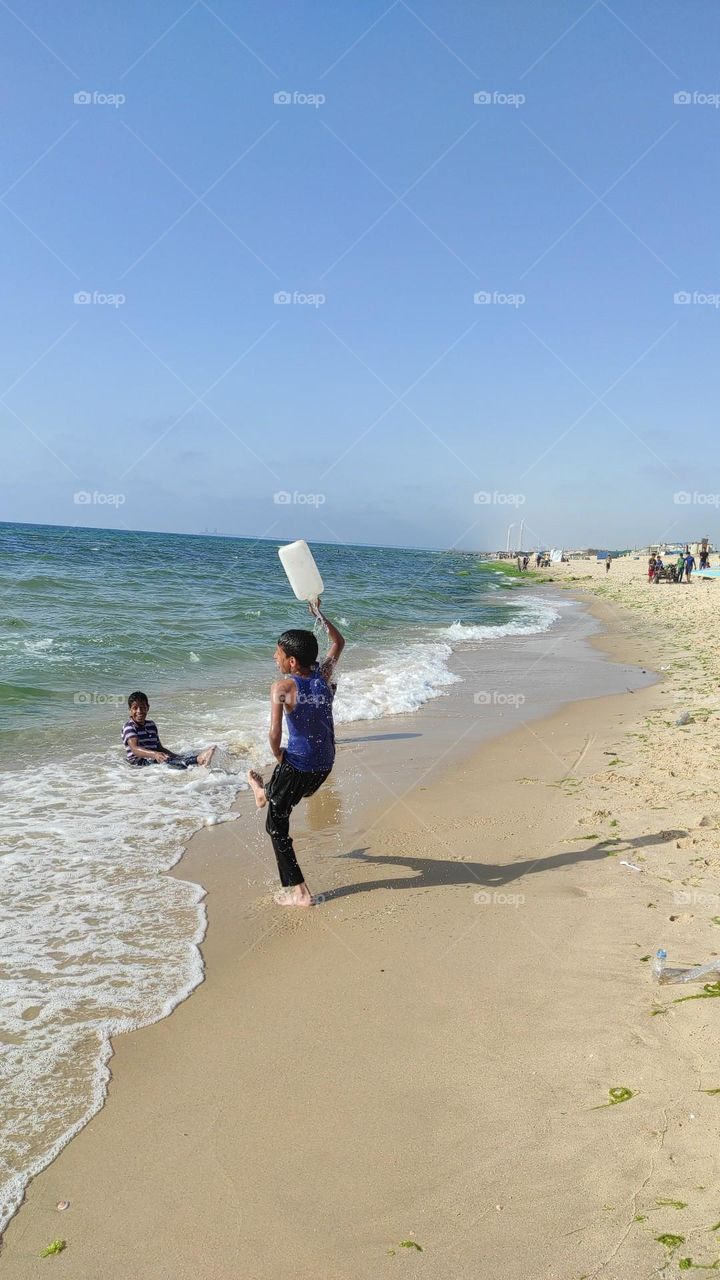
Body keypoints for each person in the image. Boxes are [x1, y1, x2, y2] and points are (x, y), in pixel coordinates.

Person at [247, 602, 344, 907]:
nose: (273, 658)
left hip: (300, 767)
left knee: (275, 827)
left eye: (277, 654)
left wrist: (279, 758)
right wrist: (320, 616)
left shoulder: (283, 686)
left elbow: (274, 735)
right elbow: (338, 642)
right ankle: (265, 794)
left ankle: (300, 893)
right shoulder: (324, 674)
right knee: (283, 792)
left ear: (290, 661)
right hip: (325, 766)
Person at [122, 692, 216, 769]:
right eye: (135, 708)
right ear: (130, 710)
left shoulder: (151, 725)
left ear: (148, 708)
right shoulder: (129, 727)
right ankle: (199, 759)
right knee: (170, 764)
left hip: (153, 760)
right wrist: (155, 754)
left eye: (142, 707)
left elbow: (159, 748)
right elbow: (135, 749)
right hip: (138, 765)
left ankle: (198, 760)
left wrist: (175, 755)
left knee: (175, 759)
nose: (139, 711)